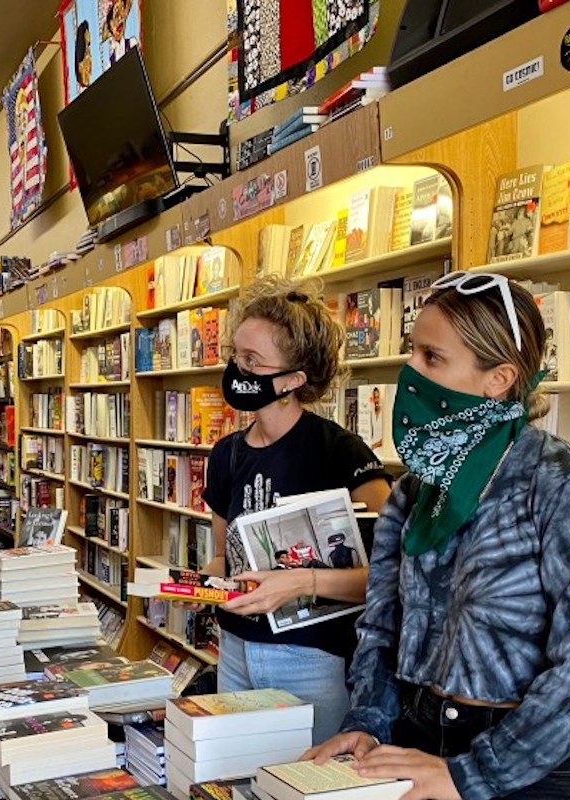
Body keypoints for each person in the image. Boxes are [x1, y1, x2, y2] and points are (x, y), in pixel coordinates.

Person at [306, 272, 570, 800]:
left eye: (432, 358)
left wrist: (472, 774)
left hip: (535, 770)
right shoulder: (416, 492)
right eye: (412, 351)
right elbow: (381, 626)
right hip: (417, 744)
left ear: (499, 378)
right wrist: (369, 724)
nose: (409, 372)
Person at [202, 274, 392, 740]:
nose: (238, 371)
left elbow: (394, 578)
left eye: (252, 361)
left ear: (292, 380)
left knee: (308, 783)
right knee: (236, 782)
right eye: (235, 356)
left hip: (311, 658)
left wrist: (301, 583)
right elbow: (219, 557)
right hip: (235, 647)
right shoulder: (225, 454)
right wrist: (201, 586)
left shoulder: (341, 453)